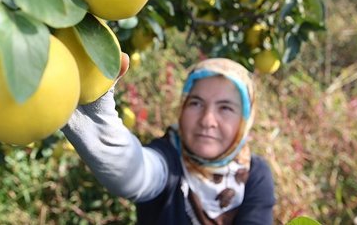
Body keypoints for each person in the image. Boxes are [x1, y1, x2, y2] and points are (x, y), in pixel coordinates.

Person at [61, 54, 275, 224]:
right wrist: (95, 114)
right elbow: (134, 172)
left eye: (225, 108)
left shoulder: (255, 174)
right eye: (196, 103)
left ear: (245, 119)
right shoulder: (169, 156)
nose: (208, 120)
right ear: (182, 107)